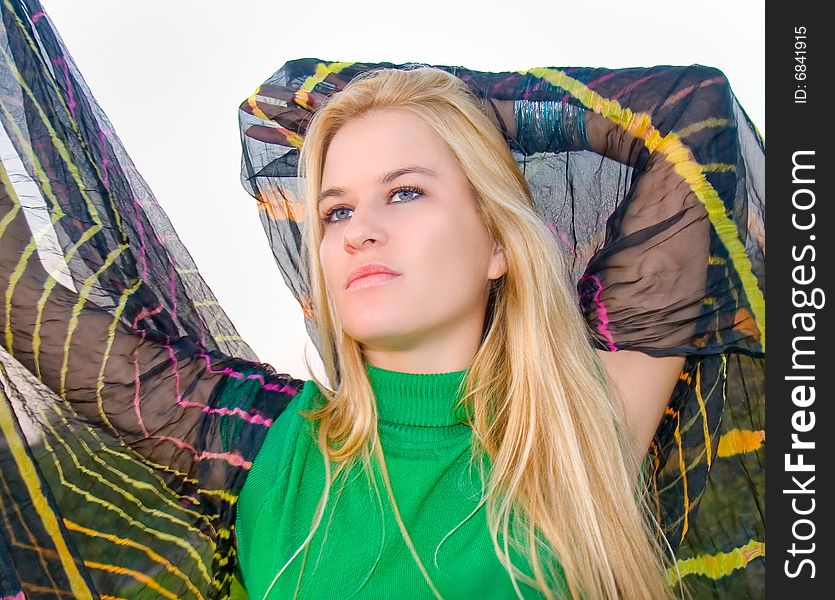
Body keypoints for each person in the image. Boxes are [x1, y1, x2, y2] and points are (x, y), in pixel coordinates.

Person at [0, 3, 764, 599]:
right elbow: (21, 299)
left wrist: (439, 114)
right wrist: (410, 129)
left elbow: (688, 118)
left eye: (404, 191)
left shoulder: (582, 425)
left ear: (497, 241)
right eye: (334, 211)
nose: (360, 229)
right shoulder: (265, 441)